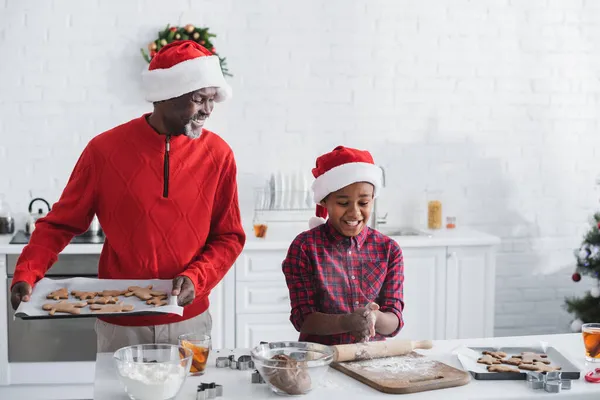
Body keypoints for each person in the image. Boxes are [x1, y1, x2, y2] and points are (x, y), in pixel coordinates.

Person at [9, 40, 246, 352]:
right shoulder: (104, 150)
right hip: (120, 327)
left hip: (190, 323)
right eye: (199, 99)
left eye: (212, 99)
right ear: (164, 97)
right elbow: (59, 225)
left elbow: (228, 236)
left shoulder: (219, 154)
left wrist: (196, 278)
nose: (208, 110)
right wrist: (27, 271)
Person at [281, 146, 404, 345]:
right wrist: (346, 322)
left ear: (372, 200)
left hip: (373, 359)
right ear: (324, 201)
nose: (354, 213)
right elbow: (303, 319)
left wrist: (374, 318)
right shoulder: (304, 247)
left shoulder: (389, 250)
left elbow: (395, 320)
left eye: (363, 203)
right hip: (321, 357)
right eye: (343, 203)